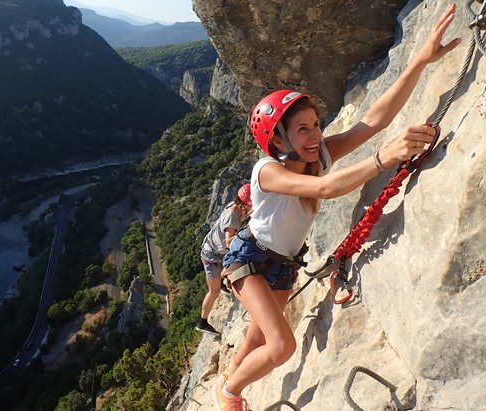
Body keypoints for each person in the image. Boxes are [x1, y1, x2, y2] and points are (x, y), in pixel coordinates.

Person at [212, 5, 460, 410]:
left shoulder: (315, 155)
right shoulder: (267, 172)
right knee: (281, 346)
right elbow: (325, 189)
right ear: (278, 142)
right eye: (302, 129)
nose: (315, 135)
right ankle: (230, 393)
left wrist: (419, 61)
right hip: (250, 259)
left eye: (315, 124)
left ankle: (230, 379)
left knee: (259, 335)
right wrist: (385, 157)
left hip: (282, 263)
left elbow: (373, 121)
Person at [196, 184, 253, 337]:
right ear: (244, 204)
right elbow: (229, 242)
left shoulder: (234, 204)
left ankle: (221, 282)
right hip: (211, 256)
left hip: (215, 249)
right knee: (213, 291)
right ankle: (202, 322)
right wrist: (246, 235)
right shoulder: (233, 216)